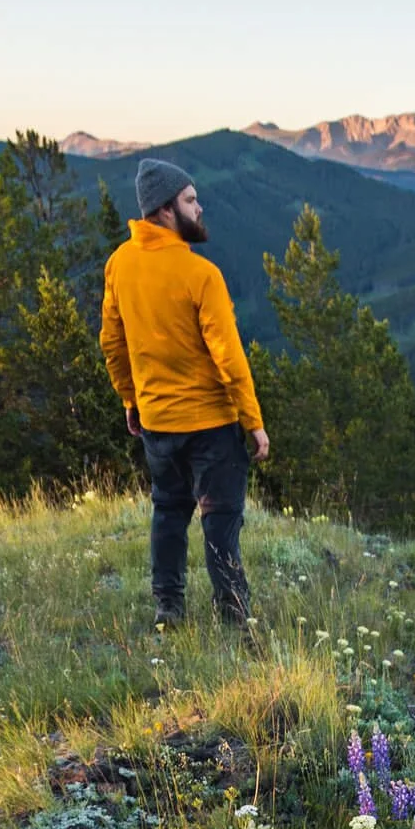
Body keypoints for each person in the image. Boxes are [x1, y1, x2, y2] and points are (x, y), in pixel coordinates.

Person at [99, 157, 271, 628]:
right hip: (211, 426)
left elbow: (112, 343)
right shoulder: (201, 276)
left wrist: (130, 400)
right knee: (220, 521)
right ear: (165, 209)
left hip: (156, 423)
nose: (200, 207)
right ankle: (234, 616)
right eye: (191, 200)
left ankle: (168, 607)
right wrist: (252, 422)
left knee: (169, 513)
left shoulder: (119, 264)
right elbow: (229, 357)